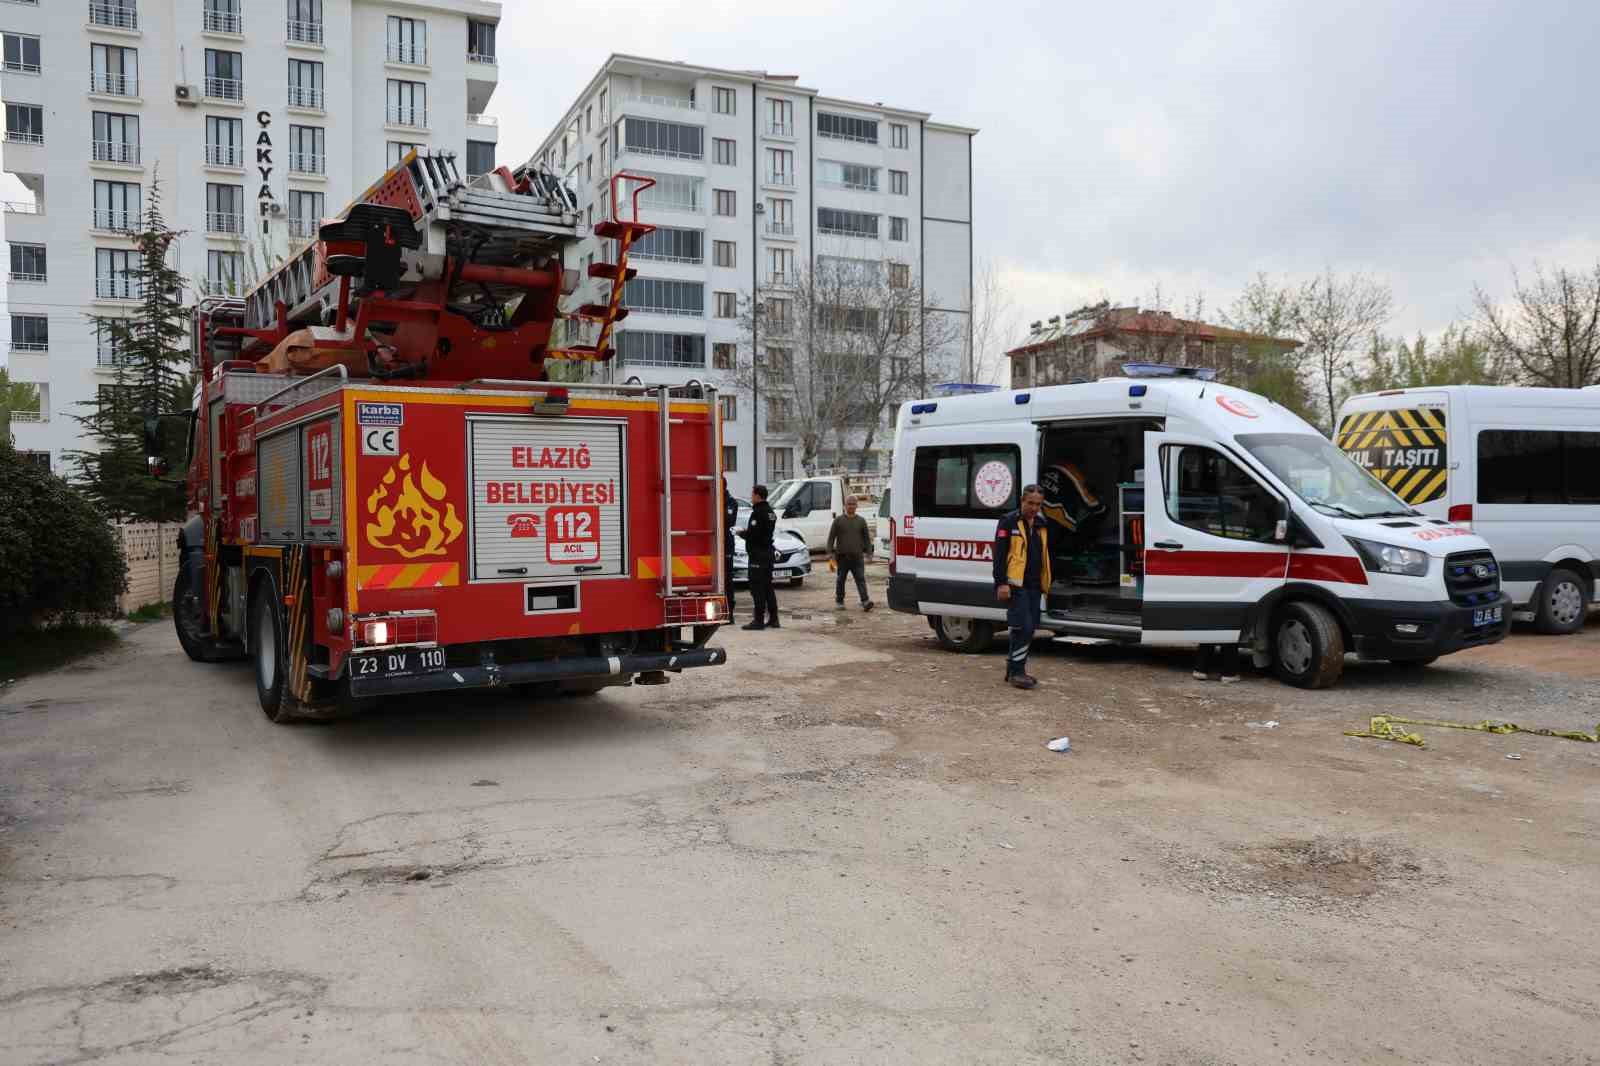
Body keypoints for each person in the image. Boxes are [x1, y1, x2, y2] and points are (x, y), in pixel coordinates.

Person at [992, 484, 1051, 690]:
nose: (1034, 508)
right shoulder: (1008, 522)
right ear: (1022, 501)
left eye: (1038, 504)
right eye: (1030, 503)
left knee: (1029, 627)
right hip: (1015, 585)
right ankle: (1017, 672)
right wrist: (1001, 583)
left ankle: (1014, 669)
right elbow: (998, 556)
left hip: (1035, 585)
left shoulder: (1042, 524)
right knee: (1023, 627)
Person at [738, 484, 780, 630]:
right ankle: (774, 619)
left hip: (758, 555)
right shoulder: (770, 512)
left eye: (752, 494)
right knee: (768, 587)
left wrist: (741, 533)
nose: (751, 497)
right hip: (767, 553)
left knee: (757, 588)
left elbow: (754, 535)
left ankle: (758, 620)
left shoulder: (758, 512)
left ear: (757, 496)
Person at [827, 495, 875, 611]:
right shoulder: (838, 521)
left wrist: (869, 554)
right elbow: (831, 538)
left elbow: (867, 539)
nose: (851, 506)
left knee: (860, 579)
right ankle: (839, 601)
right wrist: (830, 554)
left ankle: (865, 601)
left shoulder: (861, 521)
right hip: (842, 558)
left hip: (857, 558)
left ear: (856, 506)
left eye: (853, 504)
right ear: (845, 506)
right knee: (840, 579)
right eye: (849, 504)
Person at [722, 476, 739, 617]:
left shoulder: (731, 502)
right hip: (713, 545)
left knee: (727, 579)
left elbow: (728, 521)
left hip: (726, 545)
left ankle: (730, 612)